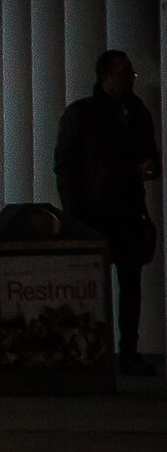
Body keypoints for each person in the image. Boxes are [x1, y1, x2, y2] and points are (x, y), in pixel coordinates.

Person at [54, 50, 162, 376]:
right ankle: (110, 351)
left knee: (126, 284)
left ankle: (122, 351)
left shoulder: (131, 111)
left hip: (120, 210)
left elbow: (150, 154)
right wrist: (74, 215)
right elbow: (66, 168)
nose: (130, 79)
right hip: (98, 213)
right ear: (106, 77)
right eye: (125, 73)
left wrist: (150, 166)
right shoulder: (87, 114)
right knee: (110, 286)